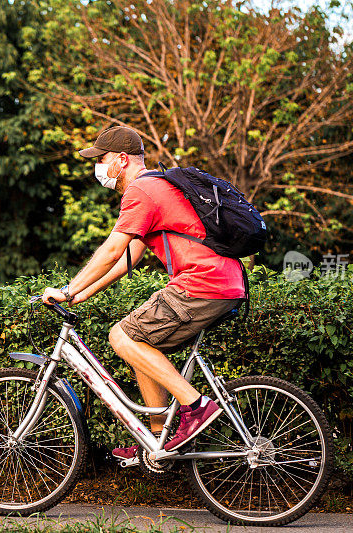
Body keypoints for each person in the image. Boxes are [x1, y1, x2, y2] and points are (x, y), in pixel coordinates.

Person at [41, 126, 246, 458]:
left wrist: (67, 289)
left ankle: (195, 407)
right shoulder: (156, 185)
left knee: (121, 336)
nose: (97, 168)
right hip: (222, 281)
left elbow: (110, 251)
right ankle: (157, 441)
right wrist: (80, 295)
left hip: (202, 281)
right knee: (140, 342)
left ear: (121, 160)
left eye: (101, 159)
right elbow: (128, 257)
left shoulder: (142, 190)